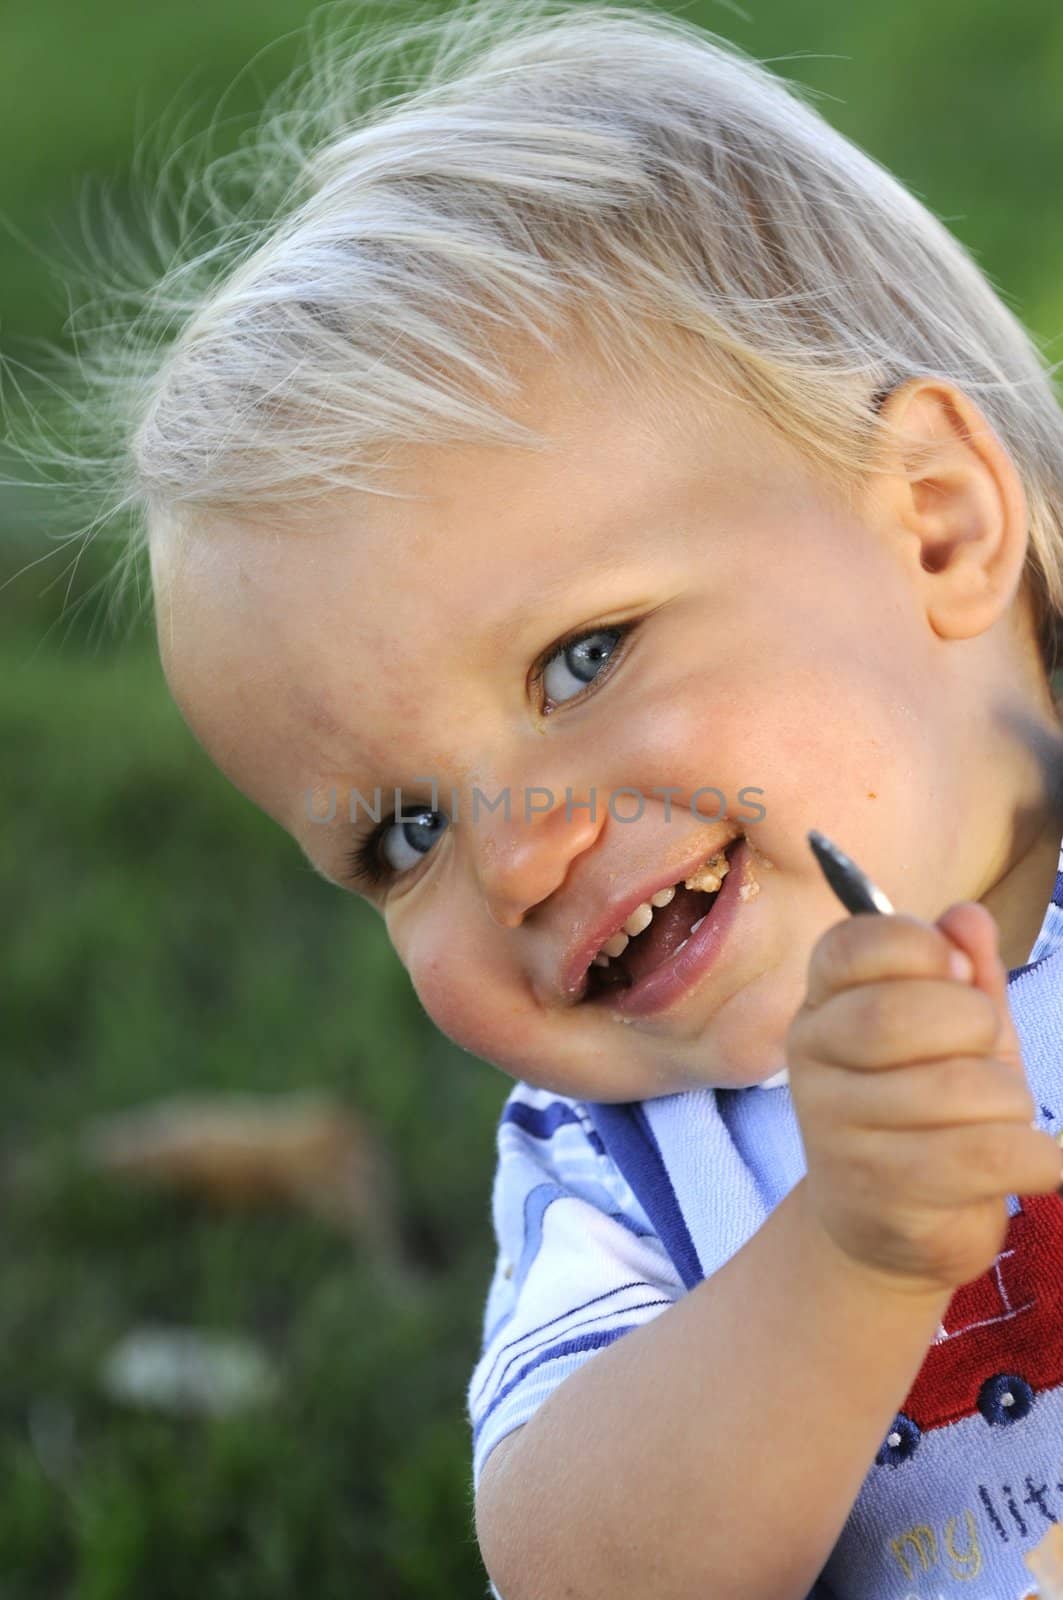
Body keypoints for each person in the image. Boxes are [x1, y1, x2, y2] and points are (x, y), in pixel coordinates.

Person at [17, 1, 1063, 1594]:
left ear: (931, 525)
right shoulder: (624, 1166)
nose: (514, 856)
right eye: (405, 832)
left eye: (582, 659)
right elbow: (585, 1570)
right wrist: (846, 1254)